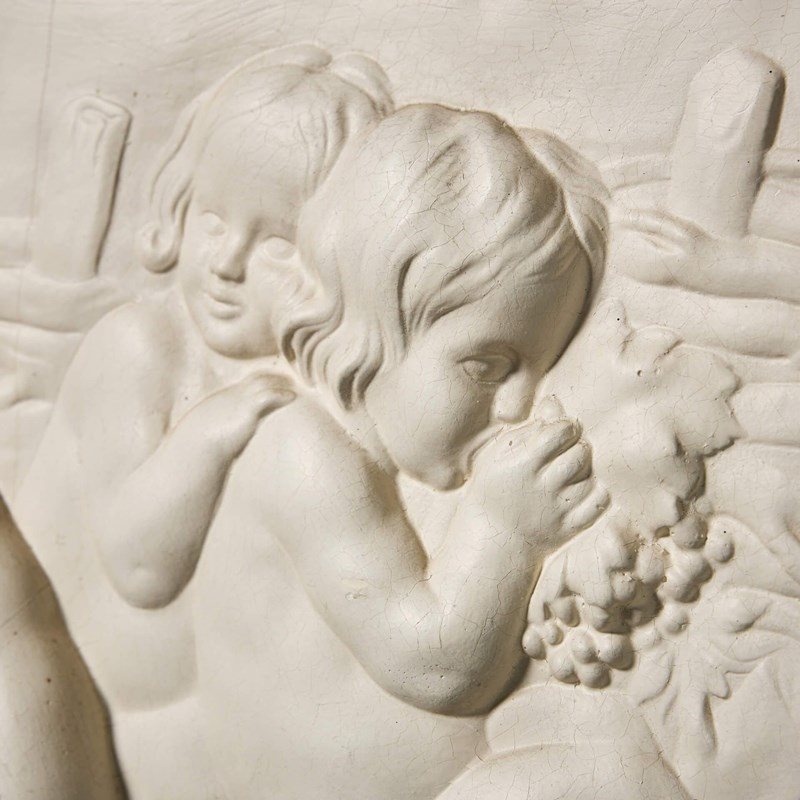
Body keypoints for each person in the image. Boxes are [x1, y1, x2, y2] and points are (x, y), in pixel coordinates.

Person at [192, 102, 610, 799]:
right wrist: (504, 528)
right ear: (366, 328)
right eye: (487, 365)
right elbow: (437, 667)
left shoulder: (364, 454)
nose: (518, 406)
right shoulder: (299, 451)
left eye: (540, 368)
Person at [15, 44, 392, 799]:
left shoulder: (310, 384)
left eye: (277, 243)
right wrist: (213, 431)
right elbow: (139, 563)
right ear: (179, 206)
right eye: (213, 220)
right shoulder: (138, 347)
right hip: (50, 714)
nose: (227, 262)